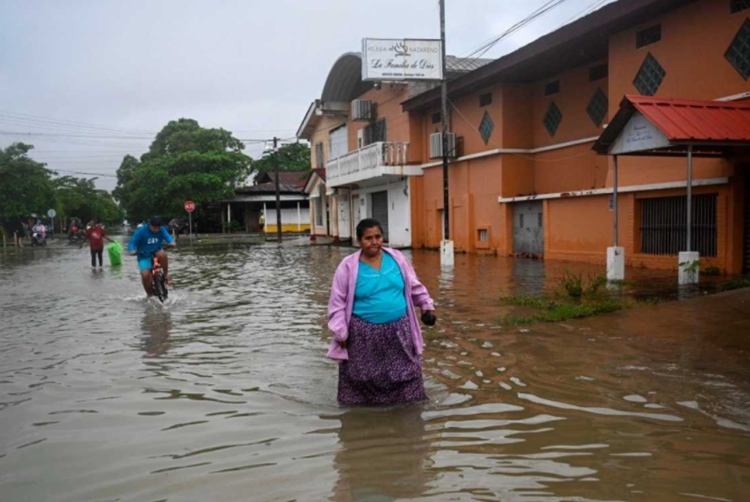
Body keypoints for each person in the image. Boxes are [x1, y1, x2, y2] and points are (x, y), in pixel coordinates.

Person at [327, 218, 437, 406]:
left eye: (378, 236)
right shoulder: (348, 266)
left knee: (407, 371)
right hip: (363, 334)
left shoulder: (397, 259)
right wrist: (340, 331)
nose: (374, 241)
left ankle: (408, 410)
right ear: (359, 241)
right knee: (363, 377)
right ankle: (366, 417)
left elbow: (413, 286)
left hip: (399, 329)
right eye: (368, 238)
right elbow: (337, 303)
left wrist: (426, 307)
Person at [127, 215, 176, 298]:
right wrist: (131, 250)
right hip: (144, 255)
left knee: (162, 254)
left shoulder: (162, 229)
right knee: (145, 275)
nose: (156, 230)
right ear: (149, 225)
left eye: (158, 228)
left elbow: (168, 237)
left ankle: (166, 276)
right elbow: (132, 242)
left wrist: (171, 242)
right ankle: (149, 294)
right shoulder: (141, 231)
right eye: (154, 228)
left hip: (157, 252)